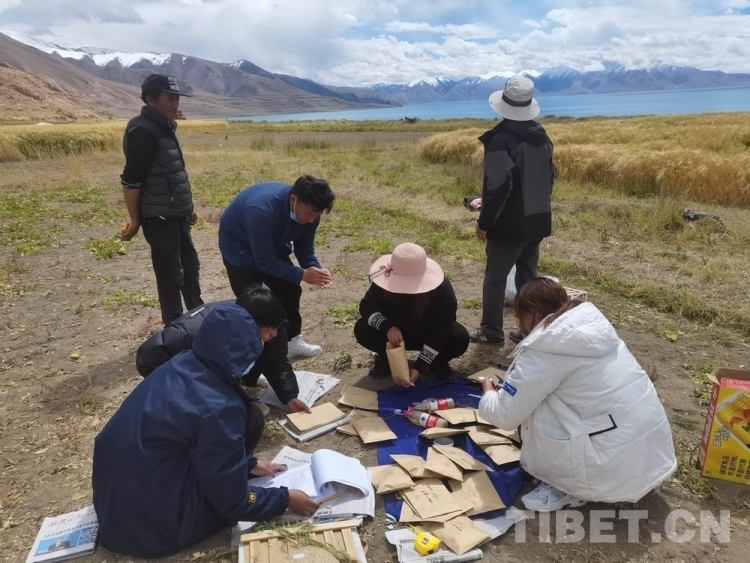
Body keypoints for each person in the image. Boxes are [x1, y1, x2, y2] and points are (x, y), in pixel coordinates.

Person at [92, 303, 318, 558]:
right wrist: (284, 499)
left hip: (116, 506)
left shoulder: (183, 361)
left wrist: (247, 465)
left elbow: (190, 440)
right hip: (152, 530)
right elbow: (233, 502)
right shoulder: (219, 408)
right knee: (220, 502)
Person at [478, 278, 677, 512]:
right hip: (651, 453)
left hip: (609, 469)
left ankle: (566, 487)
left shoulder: (545, 349)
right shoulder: (592, 329)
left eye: (519, 317)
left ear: (532, 314)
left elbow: (504, 415)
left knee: (539, 406)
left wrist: (488, 393)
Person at [470, 74, 555, 346]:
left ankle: (491, 331)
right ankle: (530, 331)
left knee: (495, 280)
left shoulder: (500, 141)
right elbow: (549, 179)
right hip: (537, 221)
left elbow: (499, 188)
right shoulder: (542, 137)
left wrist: (484, 223)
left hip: (508, 226)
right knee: (528, 279)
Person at [135, 285, 311, 413]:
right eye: (269, 332)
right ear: (249, 324)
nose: (274, 334)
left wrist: (290, 396)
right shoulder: (205, 334)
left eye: (276, 330)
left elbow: (277, 361)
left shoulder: (271, 323)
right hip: (167, 364)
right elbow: (150, 356)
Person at [219, 176, 335, 360]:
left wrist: (315, 270)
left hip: (273, 246)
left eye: (316, 215)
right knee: (253, 305)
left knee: (290, 289)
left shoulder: (310, 215)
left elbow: (305, 251)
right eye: (309, 214)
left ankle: (291, 341)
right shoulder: (261, 211)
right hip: (240, 251)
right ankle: (251, 356)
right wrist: (303, 274)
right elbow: (264, 262)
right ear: (293, 200)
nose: (312, 220)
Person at [119, 74, 202, 325]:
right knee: (171, 276)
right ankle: (175, 329)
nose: (175, 104)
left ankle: (198, 320)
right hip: (159, 218)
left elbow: (173, 173)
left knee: (190, 269)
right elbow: (131, 181)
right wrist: (135, 221)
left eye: (177, 98)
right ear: (151, 99)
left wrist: (187, 208)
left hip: (176, 214)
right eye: (170, 98)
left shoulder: (164, 126)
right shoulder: (143, 132)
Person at [354, 243, 469, 387]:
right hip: (393, 337)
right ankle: (386, 359)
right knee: (362, 328)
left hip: (427, 335)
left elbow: (441, 330)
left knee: (459, 336)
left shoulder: (442, 290)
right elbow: (366, 307)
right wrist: (387, 327)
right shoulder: (383, 280)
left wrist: (419, 367)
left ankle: (436, 362)